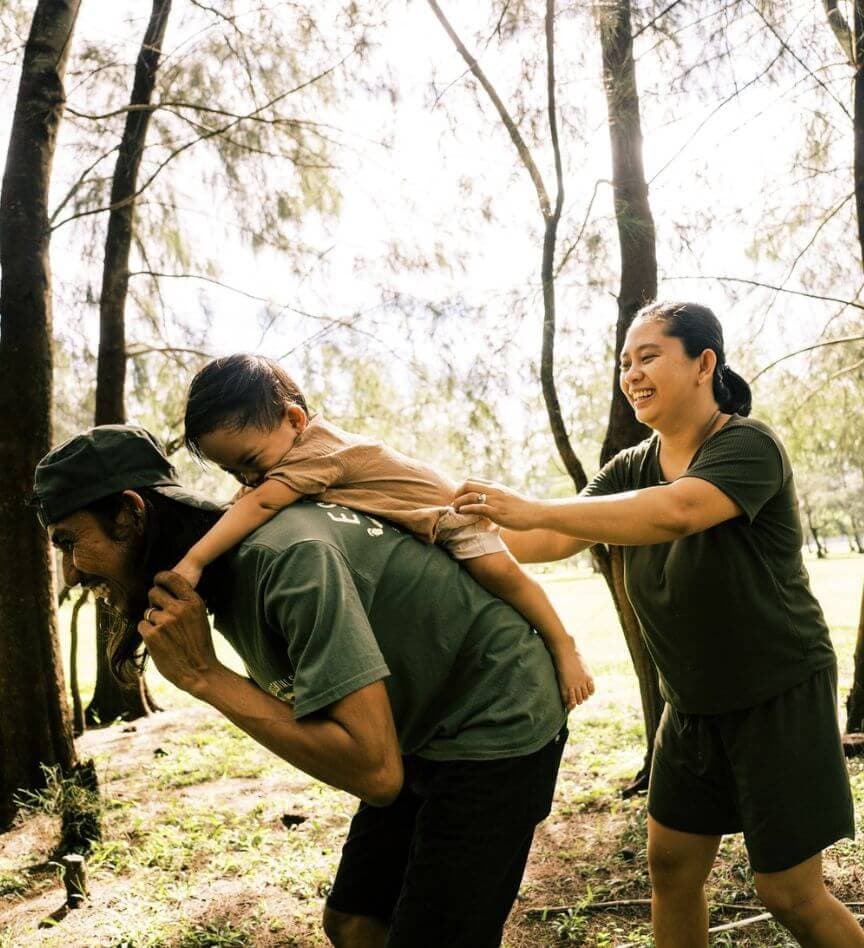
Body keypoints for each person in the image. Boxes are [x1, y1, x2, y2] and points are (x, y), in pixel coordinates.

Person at [32, 423, 568, 948]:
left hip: (497, 711)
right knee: (354, 923)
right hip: (421, 720)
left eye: (69, 542)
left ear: (129, 515)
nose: (72, 574)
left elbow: (377, 773)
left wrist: (205, 676)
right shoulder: (221, 572)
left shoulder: (284, 561)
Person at [454, 301, 862, 948]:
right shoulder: (630, 466)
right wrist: (457, 531)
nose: (632, 374)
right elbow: (552, 538)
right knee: (670, 867)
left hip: (777, 694)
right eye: (624, 362)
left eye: (649, 357)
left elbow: (675, 513)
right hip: (691, 704)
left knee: (789, 893)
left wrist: (531, 509)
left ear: (704, 364)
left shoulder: (746, 446)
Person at [171, 353, 593, 709]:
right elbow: (249, 500)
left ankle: (562, 643)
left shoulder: (314, 453)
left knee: (502, 575)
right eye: (233, 471)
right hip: (415, 521)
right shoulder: (282, 456)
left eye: (251, 461)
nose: (248, 477)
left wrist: (194, 561)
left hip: (448, 516)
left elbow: (260, 504)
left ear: (295, 419)